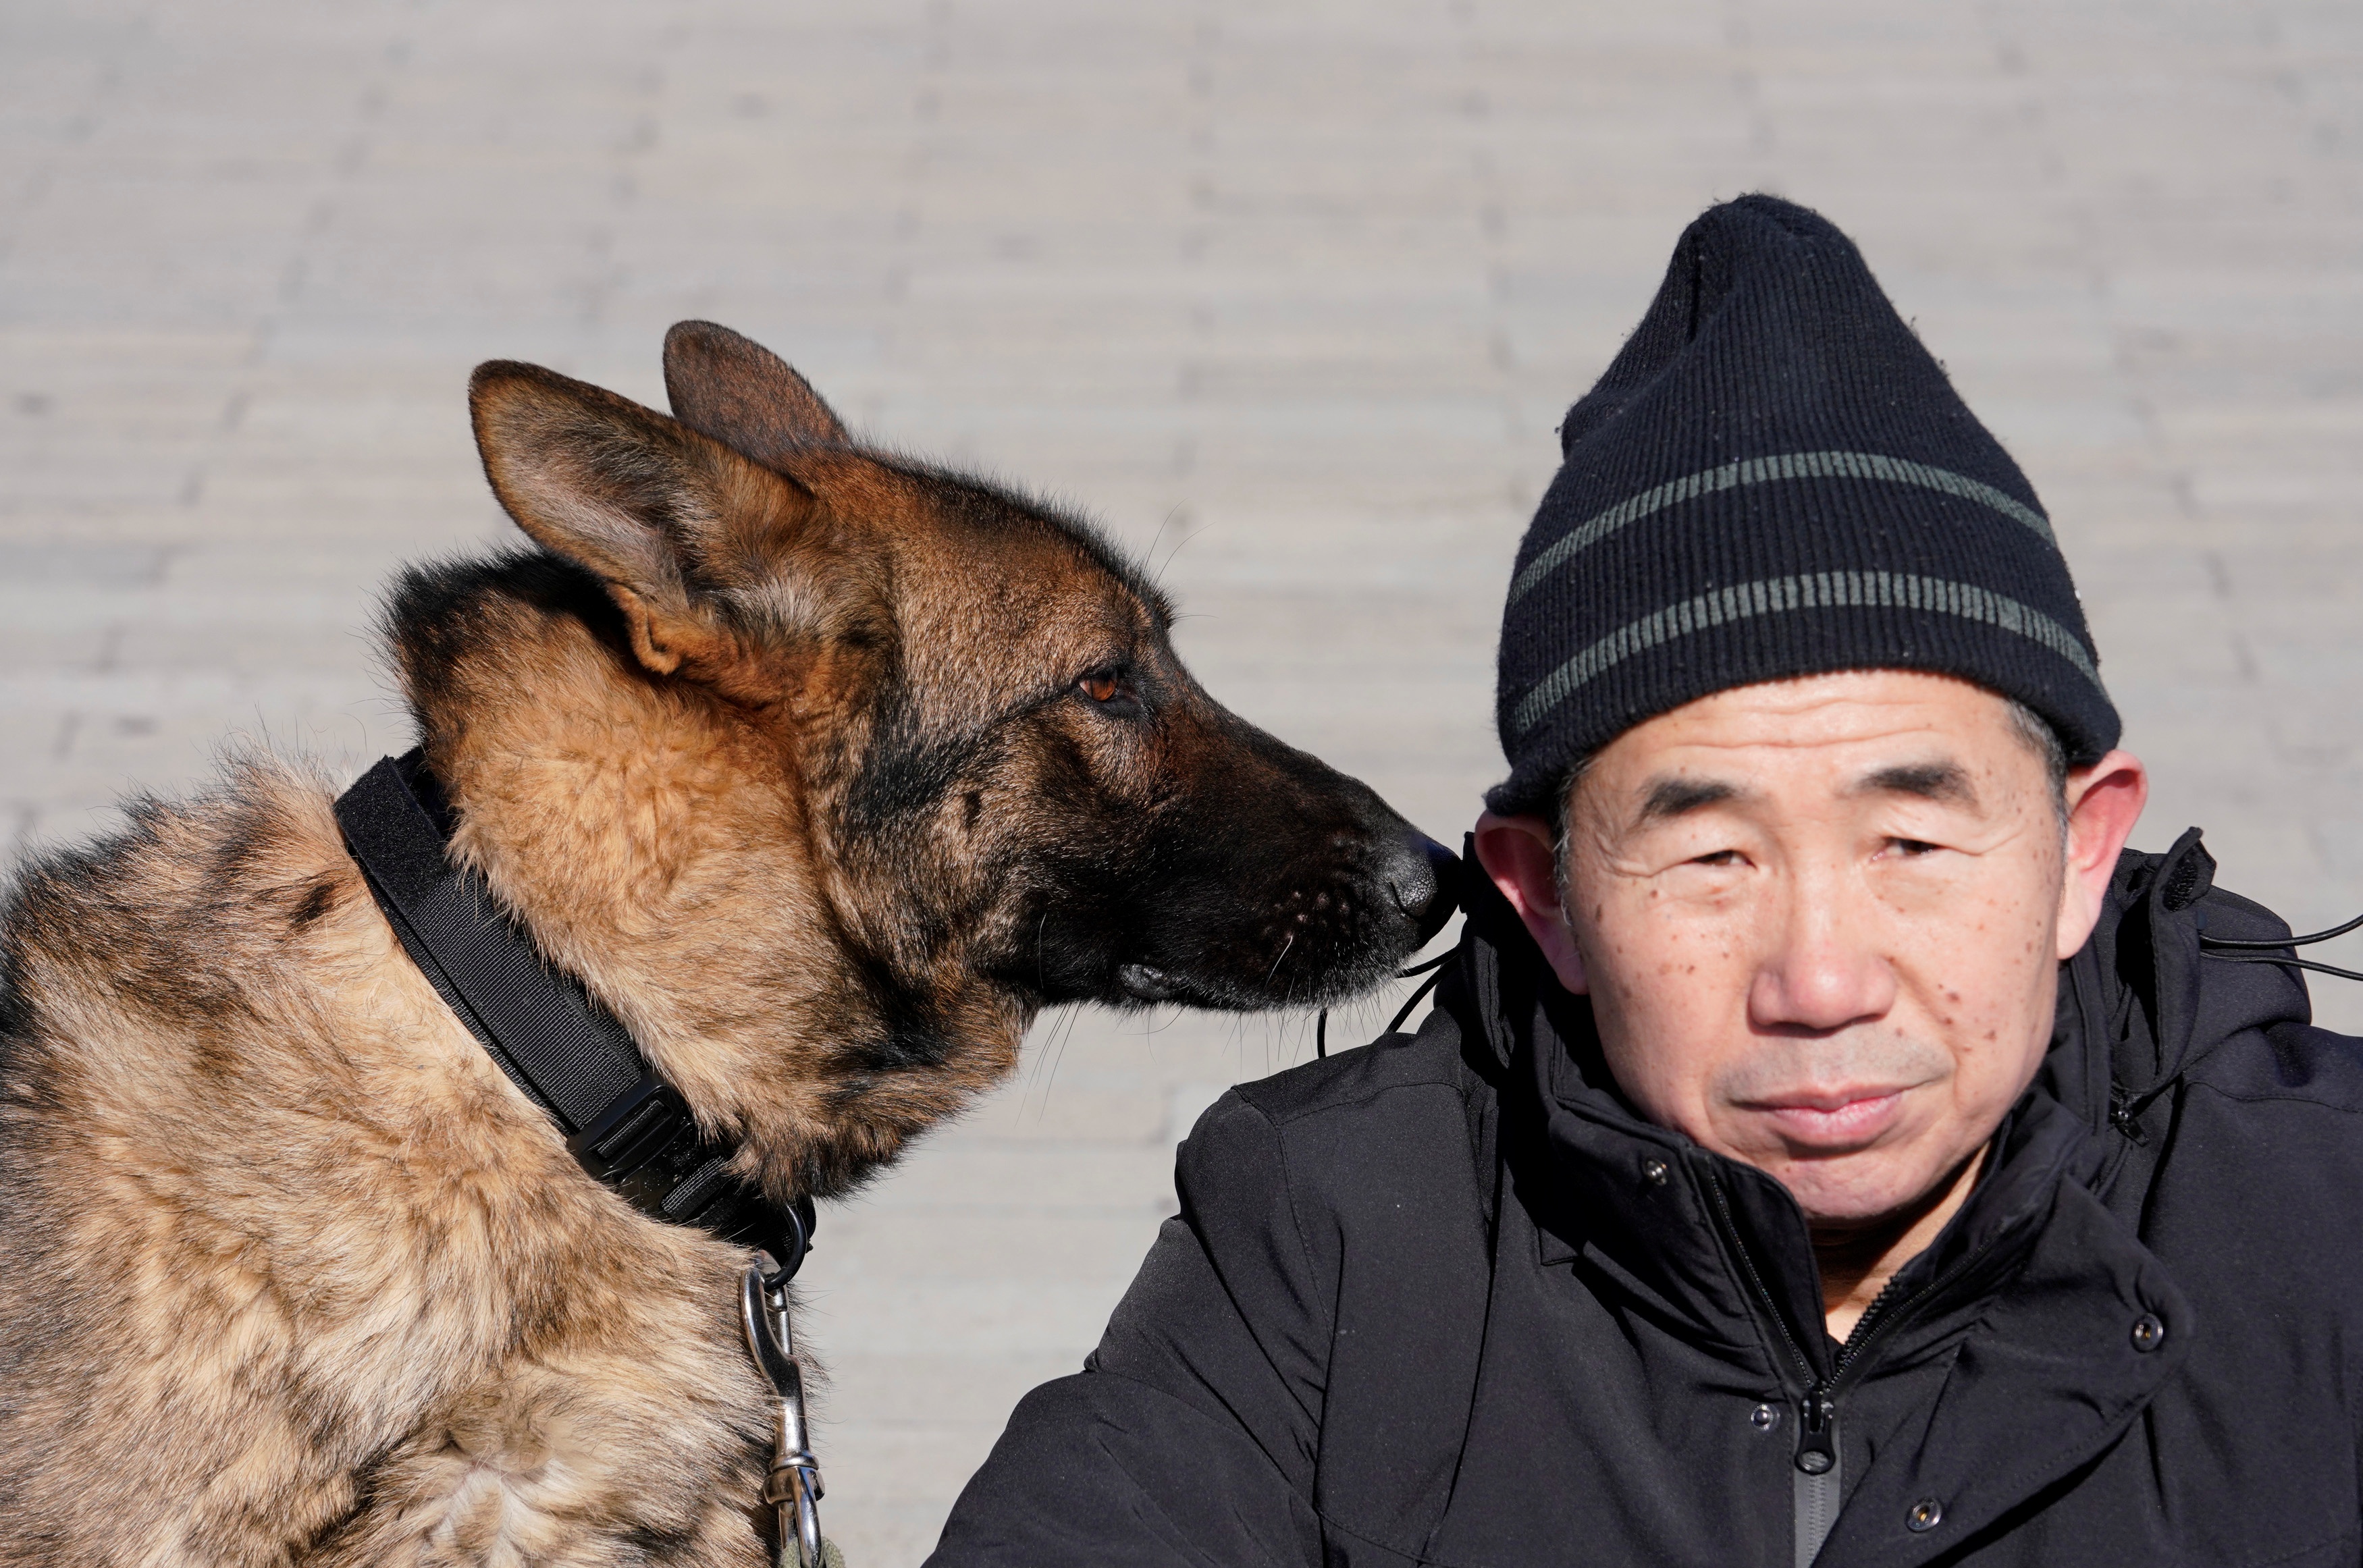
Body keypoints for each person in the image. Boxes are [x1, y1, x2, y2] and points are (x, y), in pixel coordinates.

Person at [922, 196, 2363, 1567]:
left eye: (1910, 844)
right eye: (1708, 855)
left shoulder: (2317, 1215)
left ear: (2082, 850)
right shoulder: (1335, 1236)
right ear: (1541, 893)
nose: (1820, 982)